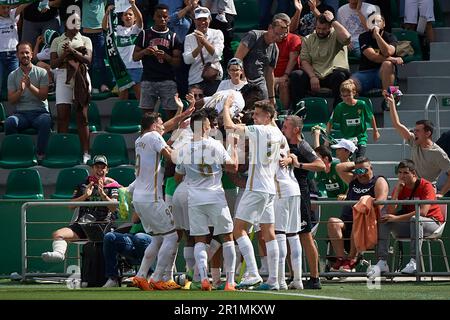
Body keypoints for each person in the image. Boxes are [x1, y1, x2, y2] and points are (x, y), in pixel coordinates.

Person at [128, 110, 194, 291]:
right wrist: (191, 153)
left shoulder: (140, 139)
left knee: (157, 238)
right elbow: (170, 155)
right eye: (160, 123)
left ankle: (141, 276)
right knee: (172, 236)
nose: (163, 125)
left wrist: (181, 117)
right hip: (152, 198)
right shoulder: (154, 138)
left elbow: (167, 129)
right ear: (154, 125)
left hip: (139, 199)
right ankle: (157, 278)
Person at [223, 99, 284, 290]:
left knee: (238, 230)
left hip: (256, 187)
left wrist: (226, 107)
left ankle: (254, 273)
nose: (254, 117)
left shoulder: (260, 130)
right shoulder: (278, 133)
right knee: (269, 233)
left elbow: (229, 126)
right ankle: (274, 280)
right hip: (269, 189)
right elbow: (276, 131)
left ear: (267, 116)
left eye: (257, 114)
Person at [174, 110, 238, 291]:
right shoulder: (215, 145)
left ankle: (203, 279)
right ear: (204, 127)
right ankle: (230, 282)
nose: (211, 128)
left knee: (200, 240)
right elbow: (233, 167)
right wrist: (233, 148)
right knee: (227, 237)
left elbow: (178, 176)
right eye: (209, 125)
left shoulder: (185, 149)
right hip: (215, 195)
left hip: (195, 198)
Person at [368, 159, 444, 276]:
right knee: (384, 220)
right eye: (400, 173)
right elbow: (391, 211)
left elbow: (422, 212)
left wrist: (396, 218)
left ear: (413, 173)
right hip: (411, 224)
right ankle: (382, 261)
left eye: (405, 173)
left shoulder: (426, 186)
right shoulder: (400, 187)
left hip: (432, 224)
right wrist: (397, 191)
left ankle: (414, 262)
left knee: (415, 219)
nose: (402, 176)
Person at [42, 155, 120, 262]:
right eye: (97, 167)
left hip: (103, 228)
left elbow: (114, 208)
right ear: (92, 169)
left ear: (107, 170)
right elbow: (71, 206)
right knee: (58, 234)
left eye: (103, 167)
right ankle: (59, 254)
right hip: (83, 226)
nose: (100, 170)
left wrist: (103, 195)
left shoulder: (113, 186)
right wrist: (85, 196)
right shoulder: (83, 184)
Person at [282, 115, 326, 289]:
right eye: (283, 126)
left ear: (296, 129)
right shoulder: (282, 143)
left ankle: (315, 278)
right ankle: (295, 276)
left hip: (300, 193)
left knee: (305, 235)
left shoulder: (303, 145)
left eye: (286, 127)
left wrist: (299, 165)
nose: (283, 129)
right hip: (286, 194)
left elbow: (321, 165)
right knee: (286, 236)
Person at [385, 92, 450, 197]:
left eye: (418, 131)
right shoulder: (414, 141)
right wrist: (392, 103)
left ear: (428, 133)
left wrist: (441, 193)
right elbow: (397, 124)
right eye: (414, 130)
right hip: (410, 185)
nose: (414, 133)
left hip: (427, 189)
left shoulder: (438, 153)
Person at [330, 156, 389, 271]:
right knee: (333, 222)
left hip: (366, 222)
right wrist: (358, 166)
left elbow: (381, 202)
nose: (361, 174)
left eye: (364, 170)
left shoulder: (378, 181)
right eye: (358, 171)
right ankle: (341, 259)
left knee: (357, 221)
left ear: (371, 168)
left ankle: (352, 259)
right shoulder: (353, 180)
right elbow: (339, 167)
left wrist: (365, 203)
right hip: (347, 221)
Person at [50, 12, 93, 164]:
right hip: (62, 76)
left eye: (79, 21)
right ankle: (64, 151)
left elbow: (88, 59)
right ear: (66, 23)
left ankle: (86, 152)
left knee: (82, 116)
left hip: (80, 76)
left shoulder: (86, 39)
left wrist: (72, 52)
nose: (77, 24)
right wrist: (65, 55)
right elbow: (53, 64)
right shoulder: (57, 40)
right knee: (62, 116)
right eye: (73, 21)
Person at [289, 11, 351, 109]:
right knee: (296, 75)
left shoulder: (337, 35)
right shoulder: (308, 39)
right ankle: (299, 109)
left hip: (333, 74)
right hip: (315, 76)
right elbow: (304, 61)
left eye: (324, 29)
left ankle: (338, 110)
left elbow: (347, 37)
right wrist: (312, 76)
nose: (321, 31)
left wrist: (333, 20)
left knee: (340, 75)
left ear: (331, 27)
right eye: (318, 28)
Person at [133, 3, 183, 120]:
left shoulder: (173, 36)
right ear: (154, 17)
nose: (162, 19)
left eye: (165, 17)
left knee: (171, 115)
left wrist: (166, 57)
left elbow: (177, 62)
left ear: (168, 17)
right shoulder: (144, 34)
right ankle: (145, 138)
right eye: (159, 16)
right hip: (148, 79)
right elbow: (135, 57)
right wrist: (145, 52)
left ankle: (169, 137)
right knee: (146, 117)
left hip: (168, 80)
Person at [5, 41, 51, 161]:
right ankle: (19, 153)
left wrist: (30, 86)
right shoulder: (12, 75)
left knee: (46, 121)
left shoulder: (42, 72)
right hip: (21, 114)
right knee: (10, 122)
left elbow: (43, 96)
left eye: (27, 52)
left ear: (31, 54)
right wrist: (20, 90)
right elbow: (11, 101)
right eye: (21, 53)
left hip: (40, 112)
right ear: (17, 55)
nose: (24, 55)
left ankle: (40, 154)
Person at [234, 15, 287, 106]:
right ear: (270, 28)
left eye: (281, 35)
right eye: (276, 33)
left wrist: (272, 97)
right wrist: (243, 80)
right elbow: (238, 58)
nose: (277, 37)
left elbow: (270, 73)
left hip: (259, 83)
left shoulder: (275, 49)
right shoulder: (253, 36)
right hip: (242, 78)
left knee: (264, 108)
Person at [350, 13, 402, 100]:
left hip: (383, 76)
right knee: (348, 85)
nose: (375, 24)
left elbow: (388, 52)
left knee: (387, 64)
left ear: (384, 24)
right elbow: (373, 56)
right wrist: (392, 59)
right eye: (372, 22)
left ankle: (388, 100)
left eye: (378, 21)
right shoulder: (363, 37)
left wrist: (377, 35)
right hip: (365, 74)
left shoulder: (390, 37)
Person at [327, 79, 380, 158]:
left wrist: (375, 131)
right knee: (347, 161)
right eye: (343, 96)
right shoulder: (339, 107)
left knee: (360, 158)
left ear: (354, 93)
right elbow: (330, 122)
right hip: (347, 139)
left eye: (348, 95)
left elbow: (371, 116)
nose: (346, 98)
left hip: (361, 137)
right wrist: (327, 139)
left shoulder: (361, 104)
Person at [102, 0, 144, 101]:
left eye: (130, 14)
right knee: (123, 96)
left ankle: (143, 116)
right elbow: (105, 27)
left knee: (140, 96)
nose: (128, 16)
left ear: (134, 18)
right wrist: (107, 12)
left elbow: (141, 20)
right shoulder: (117, 29)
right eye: (125, 14)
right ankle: (123, 116)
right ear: (122, 17)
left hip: (135, 66)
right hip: (121, 67)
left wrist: (133, 5)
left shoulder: (136, 29)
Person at [102, 213, 153, 287]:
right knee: (109, 237)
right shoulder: (142, 202)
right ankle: (112, 278)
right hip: (132, 237)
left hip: (154, 238)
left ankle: (148, 275)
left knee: (139, 237)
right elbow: (135, 219)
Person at [183, 6, 224, 96]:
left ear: (210, 19)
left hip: (213, 78)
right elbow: (187, 60)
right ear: (194, 20)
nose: (202, 22)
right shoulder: (189, 37)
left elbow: (217, 54)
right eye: (199, 19)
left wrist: (204, 41)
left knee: (213, 108)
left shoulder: (217, 33)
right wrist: (199, 47)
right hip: (195, 79)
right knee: (195, 108)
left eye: (205, 19)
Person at [273, 13, 301, 110]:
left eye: (287, 26)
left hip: (286, 76)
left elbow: (293, 59)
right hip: (271, 75)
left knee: (283, 84)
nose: (286, 29)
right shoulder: (268, 39)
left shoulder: (294, 38)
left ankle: (283, 113)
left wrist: (285, 75)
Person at [0, 3, 29, 99]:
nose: (6, 10)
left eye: (7, 7)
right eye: (3, 8)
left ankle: (17, 106)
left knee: (16, 81)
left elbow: (23, 5)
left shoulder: (13, 14)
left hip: (13, 55)